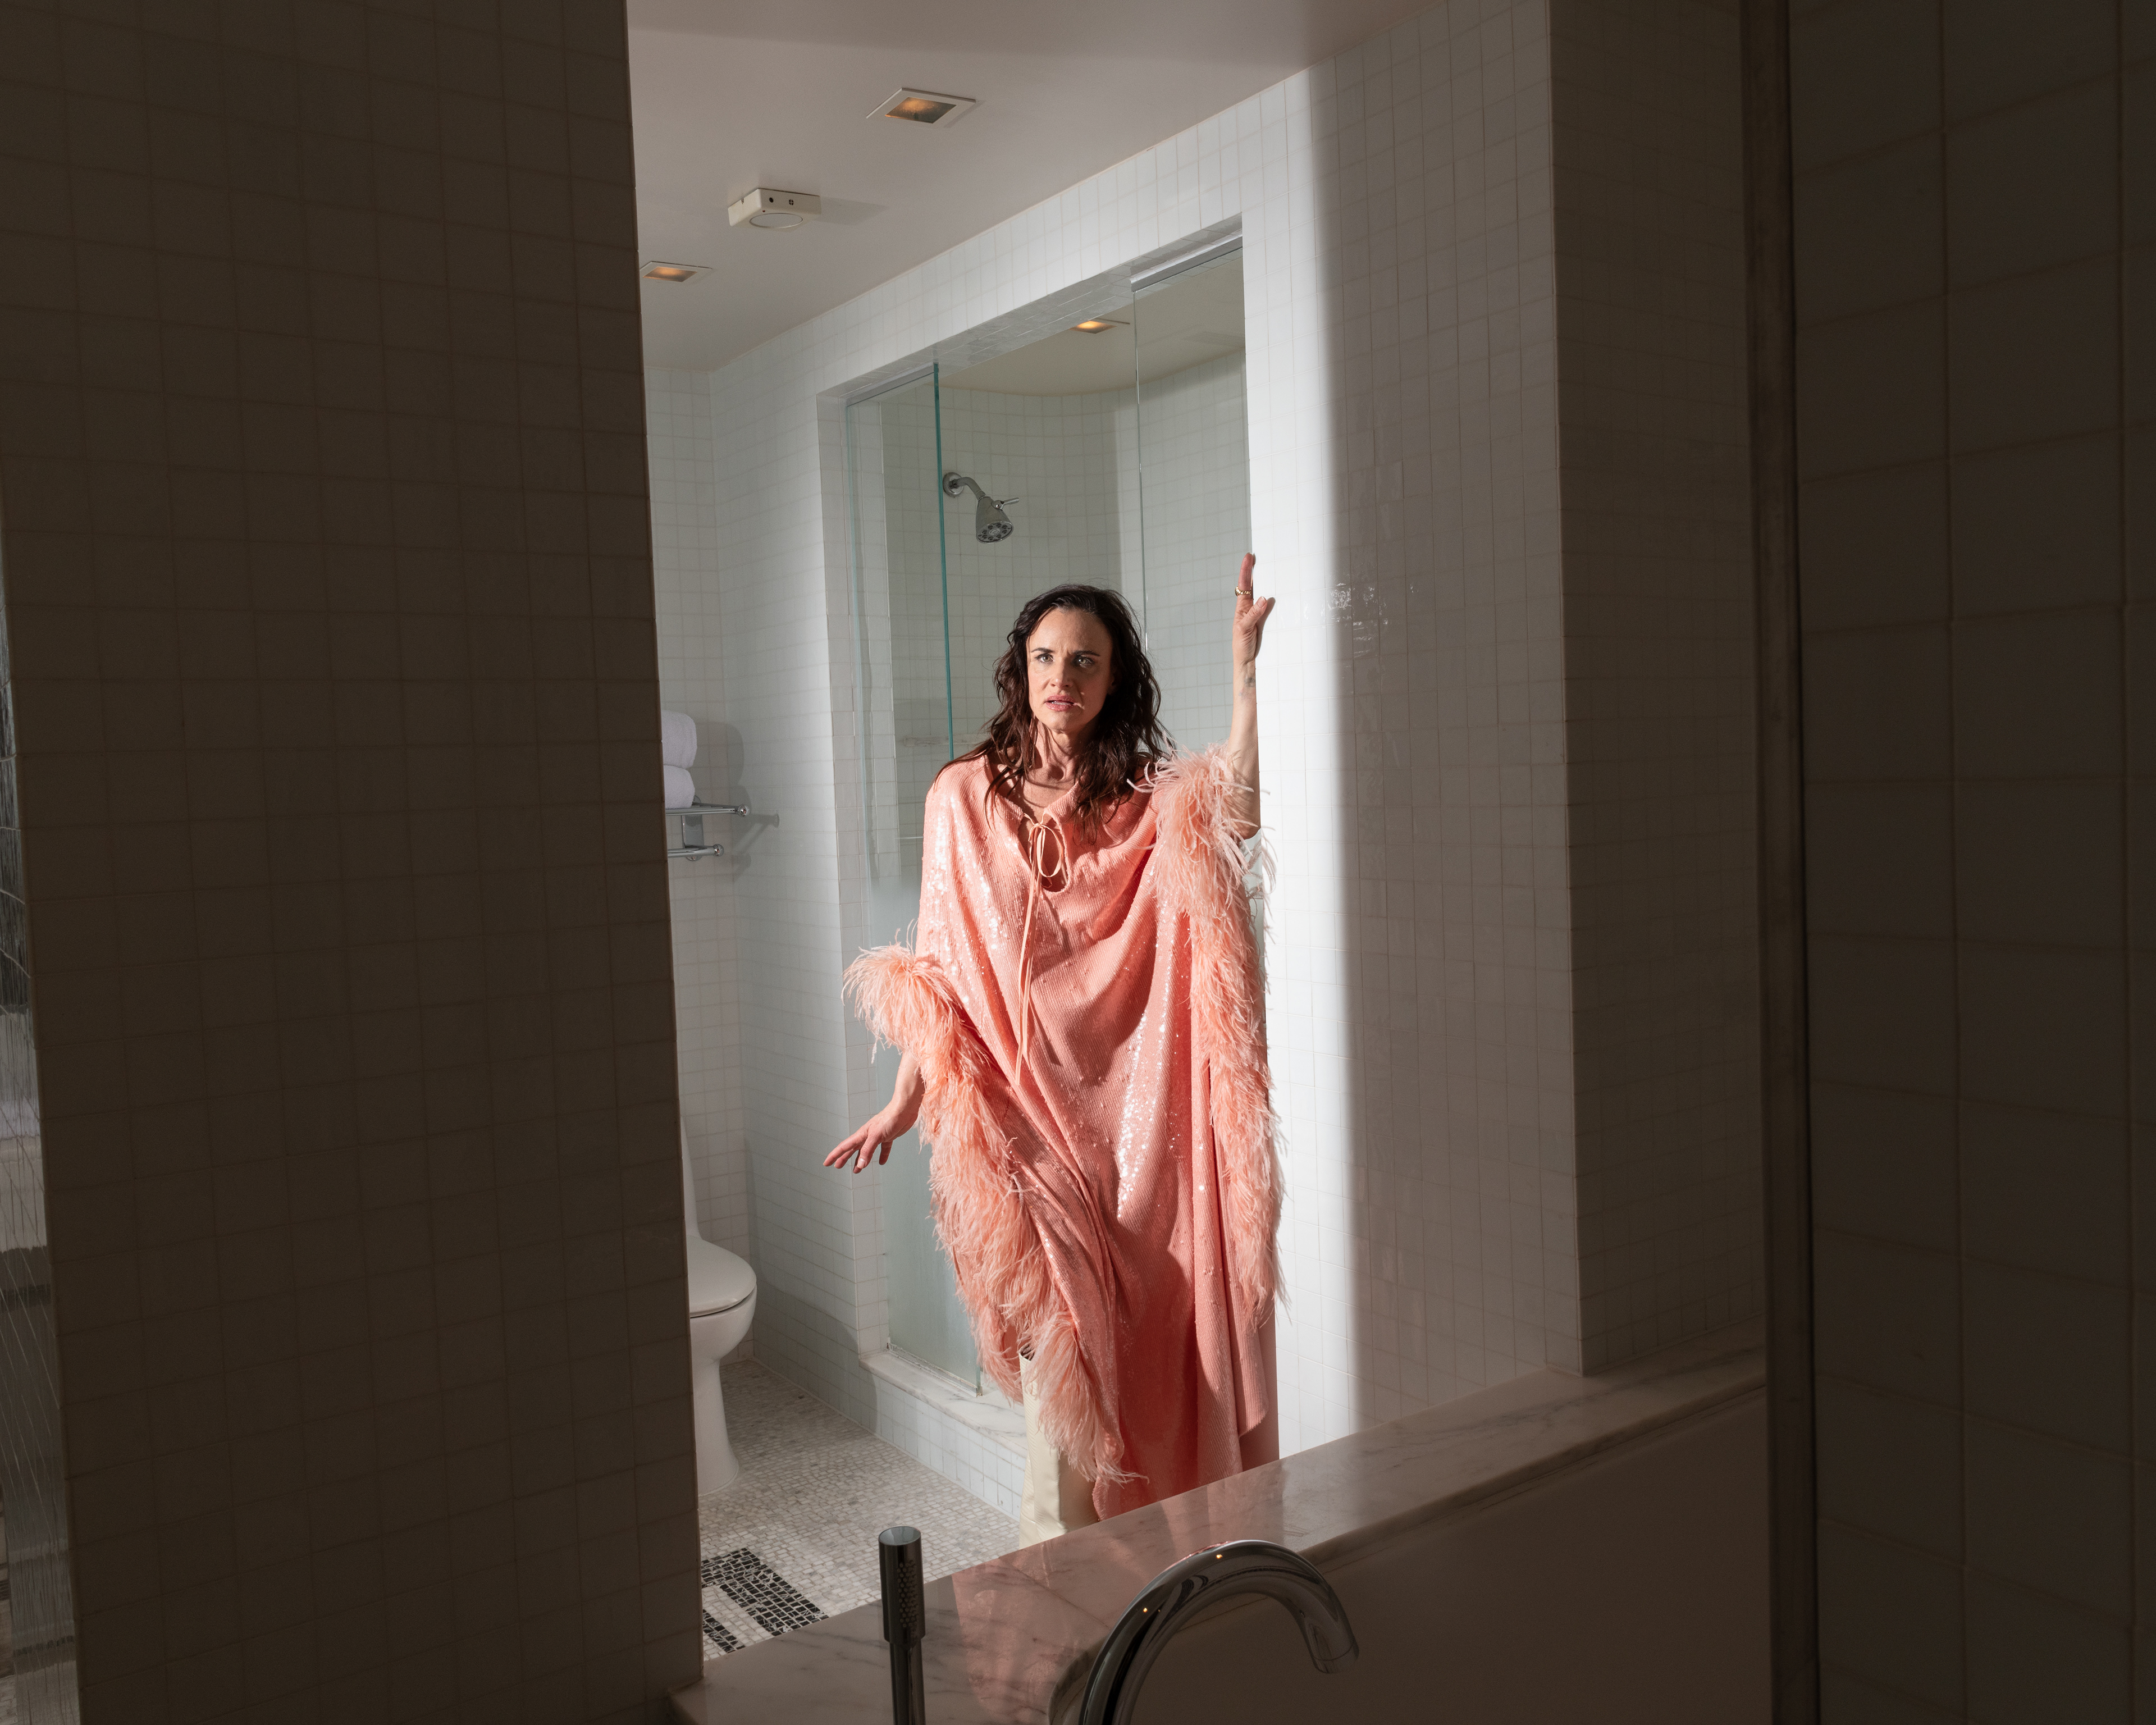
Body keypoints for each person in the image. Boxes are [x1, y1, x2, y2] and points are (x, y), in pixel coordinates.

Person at [829, 558, 1280, 1542]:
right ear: (1019, 669)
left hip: (1137, 1135)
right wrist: (906, 1101)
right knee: (1061, 1376)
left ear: (1115, 679)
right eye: (1044, 657)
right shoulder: (961, 798)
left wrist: (1246, 679)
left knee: (1145, 1361)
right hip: (1023, 1138)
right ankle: (1061, 1603)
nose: (1061, 677)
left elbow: (1233, 818)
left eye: (1084, 660)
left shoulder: (1144, 801)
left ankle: (1141, 1586)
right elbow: (941, 969)